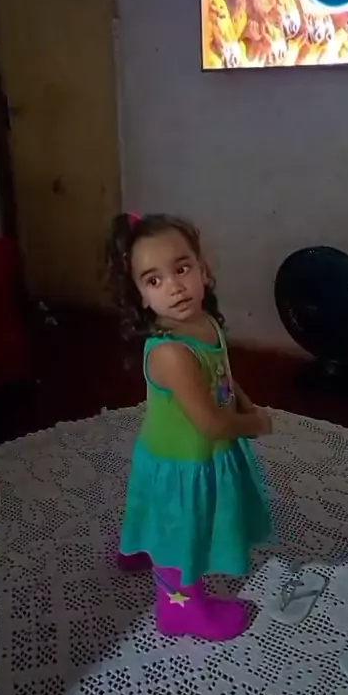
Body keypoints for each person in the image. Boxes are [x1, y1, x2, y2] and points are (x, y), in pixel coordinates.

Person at [106, 213, 272, 641]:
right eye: (154, 280)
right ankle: (178, 609)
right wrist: (254, 422)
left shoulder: (206, 323)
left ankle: (139, 547)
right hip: (181, 462)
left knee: (165, 519)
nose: (175, 287)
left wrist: (243, 401)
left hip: (195, 454)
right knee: (182, 528)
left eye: (181, 269)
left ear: (203, 269)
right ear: (141, 296)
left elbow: (222, 376)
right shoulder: (171, 353)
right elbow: (211, 423)